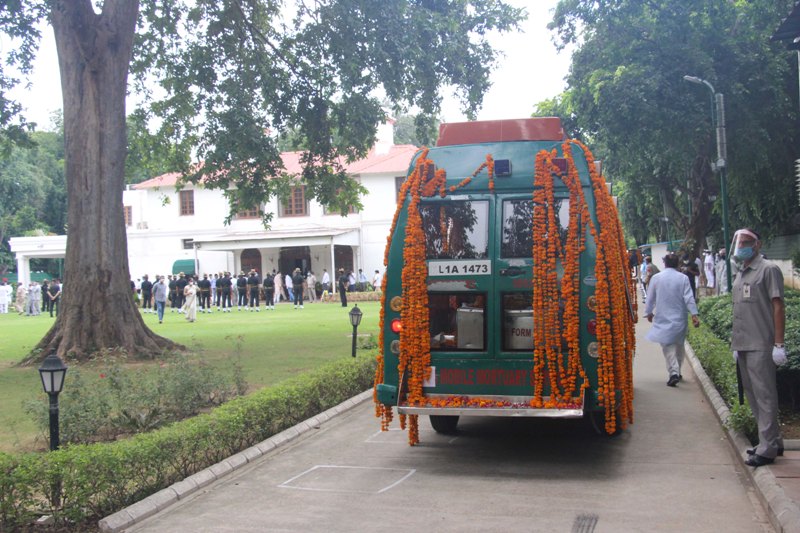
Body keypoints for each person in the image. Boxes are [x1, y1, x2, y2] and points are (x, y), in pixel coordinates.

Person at [730, 228, 786, 467]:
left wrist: (779, 344)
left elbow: (778, 306)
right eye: (739, 242)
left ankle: (768, 448)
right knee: (753, 395)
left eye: (746, 242)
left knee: (765, 396)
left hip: (761, 343)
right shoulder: (741, 272)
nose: (741, 246)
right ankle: (771, 441)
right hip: (743, 343)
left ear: (757, 245)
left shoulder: (768, 270)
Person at [644, 253, 700, 387]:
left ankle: (674, 373)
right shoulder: (683, 278)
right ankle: (677, 371)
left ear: (664, 264)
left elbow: (650, 297)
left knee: (668, 347)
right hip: (680, 318)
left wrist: (649, 312)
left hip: (662, 316)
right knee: (679, 346)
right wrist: (694, 315)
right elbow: (689, 297)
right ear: (678, 264)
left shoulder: (656, 278)